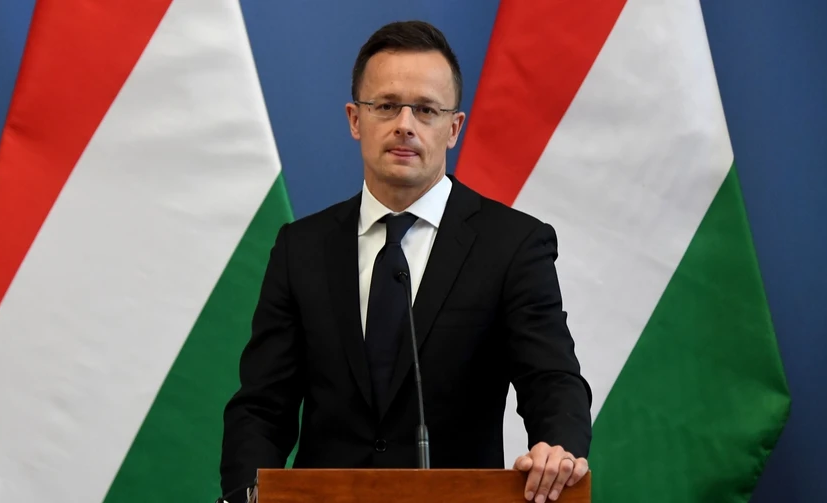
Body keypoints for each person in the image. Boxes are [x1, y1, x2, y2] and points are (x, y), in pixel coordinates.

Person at [220, 20, 593, 503]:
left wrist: (557, 447)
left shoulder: (512, 244)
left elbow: (552, 379)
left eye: (426, 110)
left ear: (453, 128)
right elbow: (261, 407)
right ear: (355, 119)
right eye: (386, 106)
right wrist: (247, 493)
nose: (405, 124)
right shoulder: (301, 247)